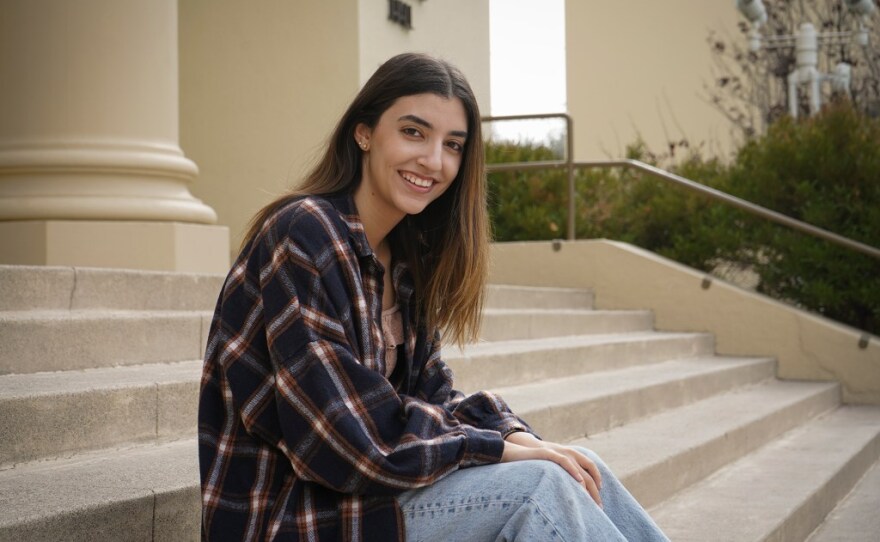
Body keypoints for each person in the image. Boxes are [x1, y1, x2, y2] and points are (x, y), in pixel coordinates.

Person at [198, 52, 668, 541]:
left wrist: (511, 433)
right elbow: (343, 438)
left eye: (454, 145)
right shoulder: (303, 233)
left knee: (579, 465)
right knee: (537, 487)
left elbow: (435, 396)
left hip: (373, 500)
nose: (434, 161)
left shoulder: (404, 262)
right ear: (364, 132)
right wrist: (490, 447)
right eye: (413, 132)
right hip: (299, 518)